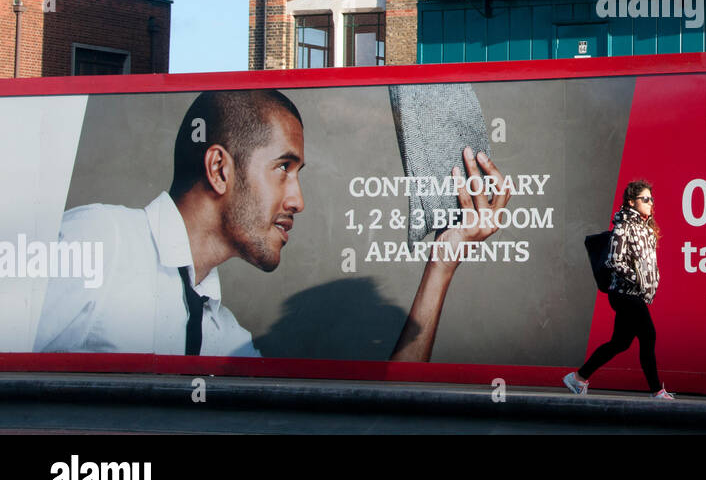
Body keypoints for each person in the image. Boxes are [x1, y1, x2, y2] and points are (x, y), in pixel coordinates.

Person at [34, 89, 506, 361]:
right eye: (284, 168)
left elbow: (384, 420)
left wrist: (443, 262)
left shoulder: (224, 343)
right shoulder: (99, 243)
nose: (298, 200)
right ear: (220, 168)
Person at [563, 180, 673, 399]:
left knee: (620, 343)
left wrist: (654, 278)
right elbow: (614, 261)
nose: (650, 203)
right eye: (645, 199)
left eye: (651, 199)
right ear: (632, 202)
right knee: (648, 336)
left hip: (634, 293)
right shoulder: (624, 226)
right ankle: (656, 391)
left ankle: (578, 378)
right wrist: (639, 280)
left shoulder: (646, 228)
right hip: (624, 293)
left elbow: (647, 262)